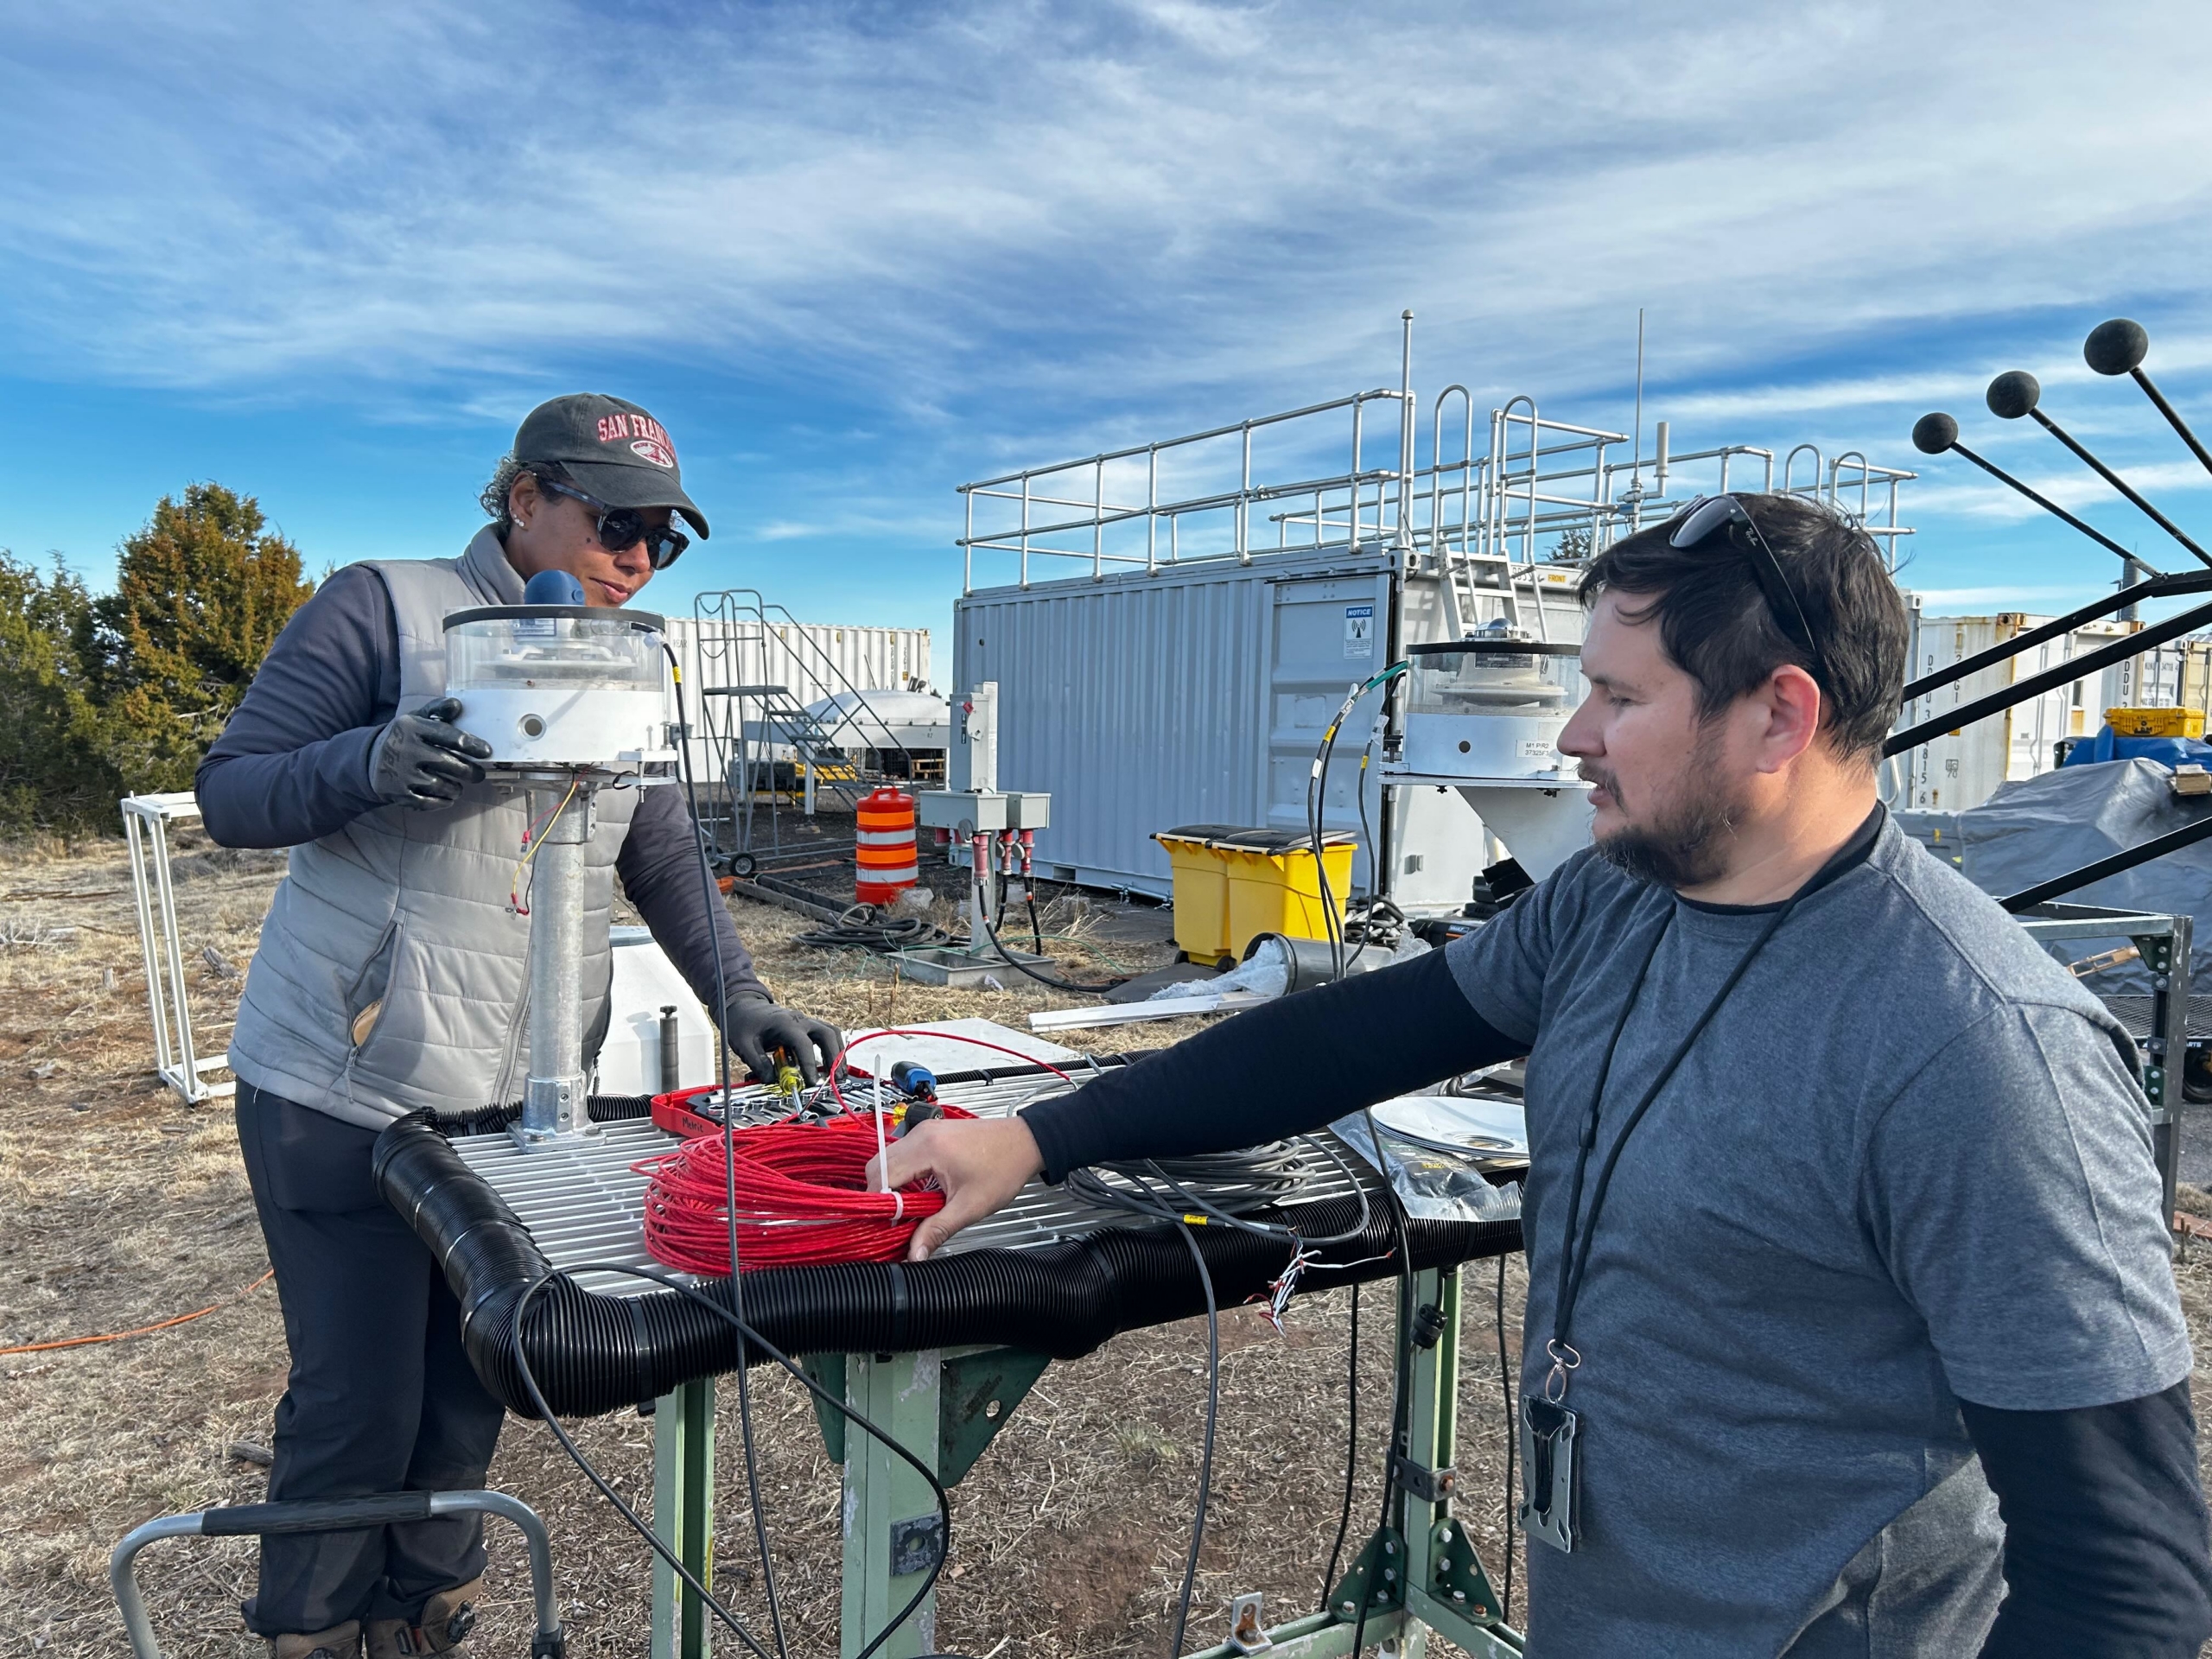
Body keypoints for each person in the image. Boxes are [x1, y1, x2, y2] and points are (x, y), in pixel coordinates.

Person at [875, 493, 2212, 1656]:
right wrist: (1039, 1138)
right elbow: (1349, 1038)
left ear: (1775, 720)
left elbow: (2124, 1583)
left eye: (1621, 698)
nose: (1574, 735)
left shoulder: (1978, 1049)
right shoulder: (1617, 905)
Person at [199, 394, 841, 1659]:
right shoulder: (385, 610)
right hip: (343, 1085)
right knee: (355, 1398)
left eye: (664, 540)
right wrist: (366, 761)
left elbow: (656, 850)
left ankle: (422, 1626)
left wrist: (741, 995)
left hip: (507, 1109)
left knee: (467, 1388)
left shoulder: (631, 656)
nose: (638, 559)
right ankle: (313, 1635)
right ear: (524, 497)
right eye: (616, 524)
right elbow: (233, 791)